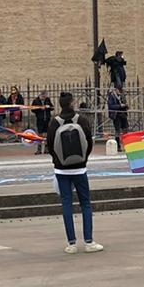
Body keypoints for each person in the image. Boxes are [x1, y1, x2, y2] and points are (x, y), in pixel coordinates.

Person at [45, 92, 103, 254]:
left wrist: (58, 160)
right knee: (85, 203)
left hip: (61, 169)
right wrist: (83, 158)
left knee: (66, 204)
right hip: (80, 168)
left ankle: (71, 243)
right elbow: (89, 142)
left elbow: (50, 145)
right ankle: (89, 241)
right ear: (72, 103)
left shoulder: (54, 122)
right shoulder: (81, 120)